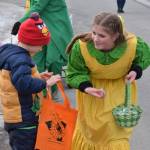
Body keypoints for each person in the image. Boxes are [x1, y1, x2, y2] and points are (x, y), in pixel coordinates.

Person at [66, 12, 150, 149]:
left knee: (114, 135)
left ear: (116, 36)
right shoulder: (81, 47)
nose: (95, 39)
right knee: (92, 134)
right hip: (92, 94)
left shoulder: (133, 44)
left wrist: (135, 70)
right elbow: (74, 72)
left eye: (101, 36)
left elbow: (144, 57)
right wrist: (87, 87)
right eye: (94, 33)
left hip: (120, 91)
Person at [0, 13, 61, 150]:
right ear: (31, 42)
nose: (41, 49)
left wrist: (39, 77)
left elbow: (16, 79)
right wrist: (46, 83)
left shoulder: (12, 55)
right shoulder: (21, 60)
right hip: (24, 120)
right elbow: (23, 83)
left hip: (15, 118)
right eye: (41, 45)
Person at [11, 0, 73, 94]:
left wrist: (20, 22)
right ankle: (39, 92)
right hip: (40, 25)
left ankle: (52, 88)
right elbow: (33, 6)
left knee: (55, 60)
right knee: (36, 59)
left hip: (56, 25)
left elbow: (38, 6)